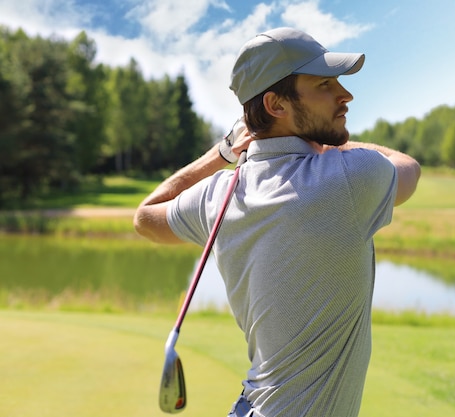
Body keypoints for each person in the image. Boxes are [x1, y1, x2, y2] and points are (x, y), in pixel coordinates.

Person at [134, 27, 420, 417]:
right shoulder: (348, 177)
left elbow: (145, 218)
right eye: (324, 84)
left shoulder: (218, 192)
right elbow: (408, 167)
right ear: (276, 105)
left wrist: (223, 151)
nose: (345, 95)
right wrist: (329, 142)